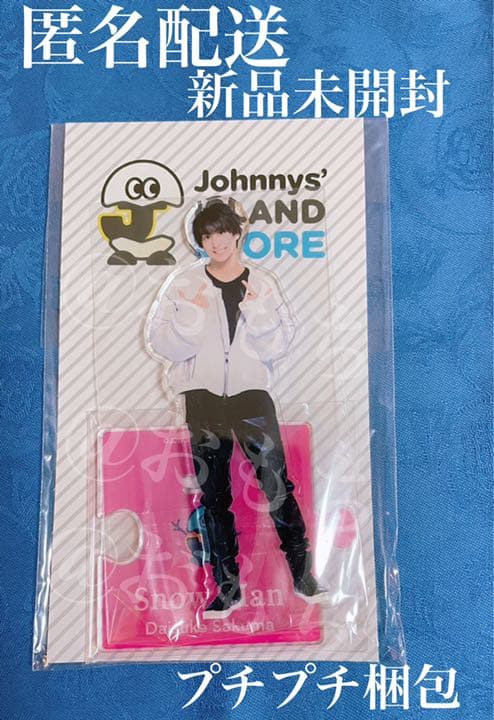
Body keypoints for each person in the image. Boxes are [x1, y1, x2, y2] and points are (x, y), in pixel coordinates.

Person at [146, 198, 327, 619]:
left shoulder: (262, 283)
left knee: (277, 485)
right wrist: (192, 317)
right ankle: (226, 588)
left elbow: (280, 343)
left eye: (222, 232)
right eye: (207, 235)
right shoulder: (184, 284)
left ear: (236, 233)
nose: (216, 242)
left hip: (251, 397)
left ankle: (303, 575)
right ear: (199, 240)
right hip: (203, 399)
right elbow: (161, 342)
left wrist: (257, 311)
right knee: (213, 497)